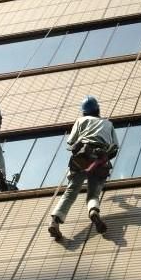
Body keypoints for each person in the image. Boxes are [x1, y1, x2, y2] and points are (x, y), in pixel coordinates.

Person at [48, 96, 119, 240]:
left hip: (82, 158)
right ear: (97, 109)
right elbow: (115, 147)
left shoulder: (81, 121)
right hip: (100, 161)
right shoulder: (108, 124)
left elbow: (71, 142)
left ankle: (55, 221)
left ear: (84, 111)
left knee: (71, 191)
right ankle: (93, 211)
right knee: (93, 194)